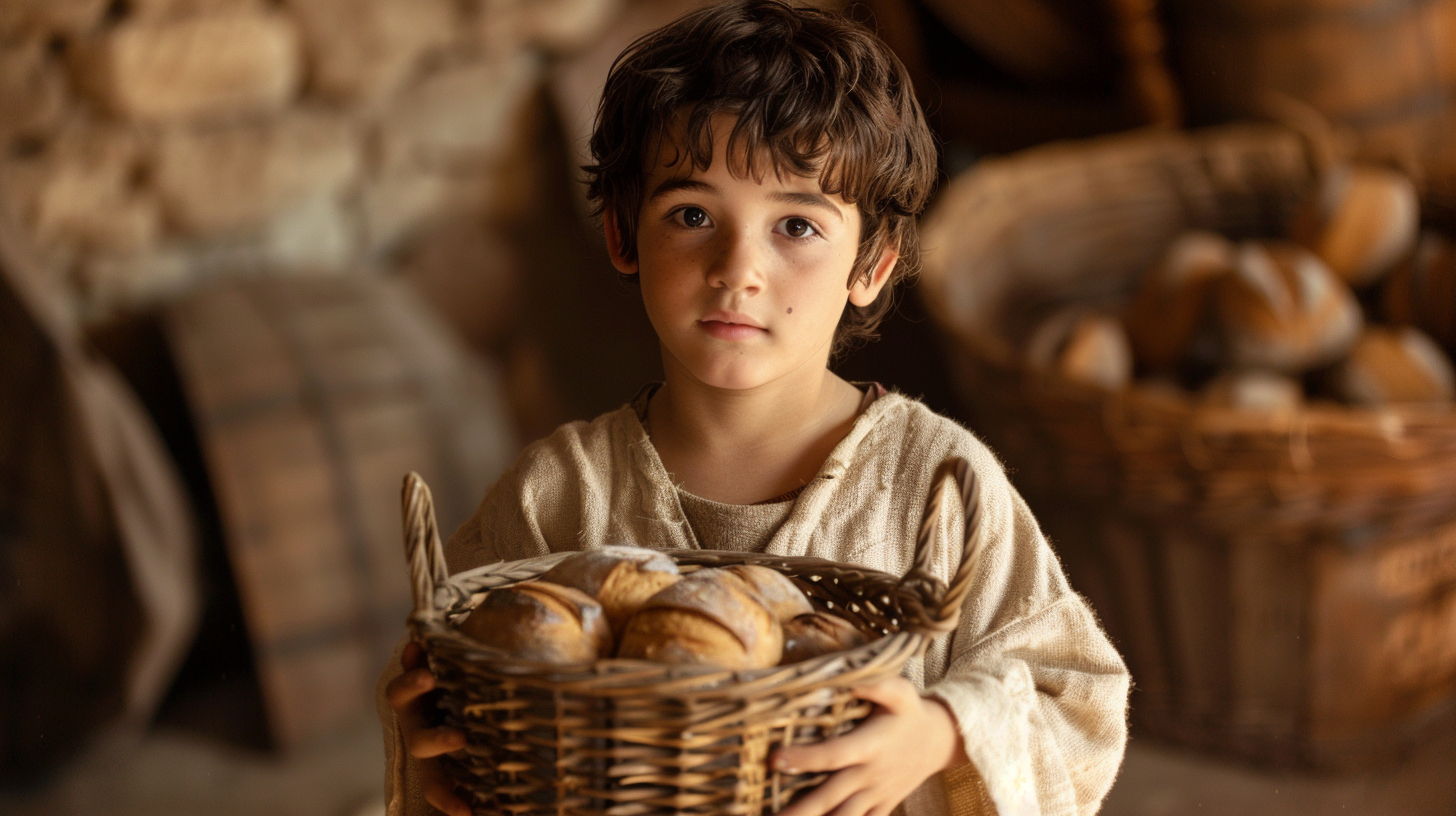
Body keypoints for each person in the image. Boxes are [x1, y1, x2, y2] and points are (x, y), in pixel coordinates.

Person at [380, 2, 1130, 815]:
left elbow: (1078, 698)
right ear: (623, 235)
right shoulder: (555, 494)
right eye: (693, 215)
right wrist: (432, 754)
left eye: (797, 225)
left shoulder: (937, 488)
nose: (738, 268)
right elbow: (444, 681)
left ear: (873, 264)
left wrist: (946, 730)